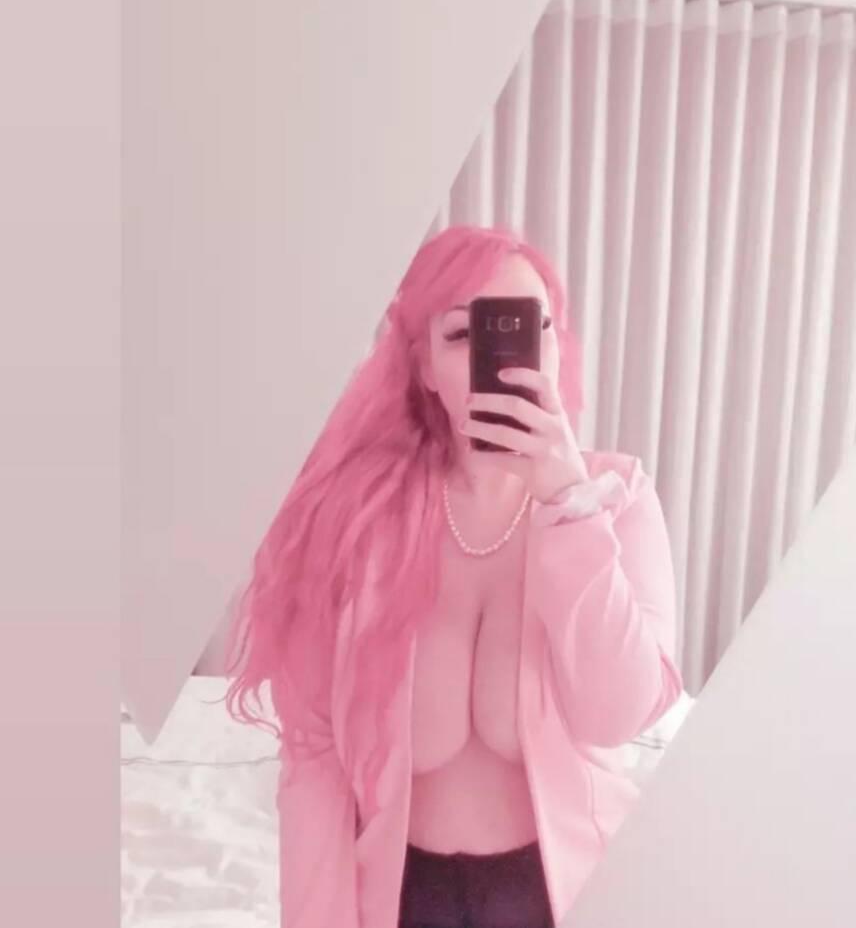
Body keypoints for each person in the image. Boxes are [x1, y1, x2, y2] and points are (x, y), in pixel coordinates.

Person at [222, 223, 684, 928]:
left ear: (556, 346)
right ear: (423, 366)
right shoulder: (355, 516)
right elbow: (313, 754)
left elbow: (618, 715)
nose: (501, 358)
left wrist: (569, 504)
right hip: (407, 896)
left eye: (530, 327)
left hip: (568, 894)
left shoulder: (617, 497)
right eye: (465, 335)